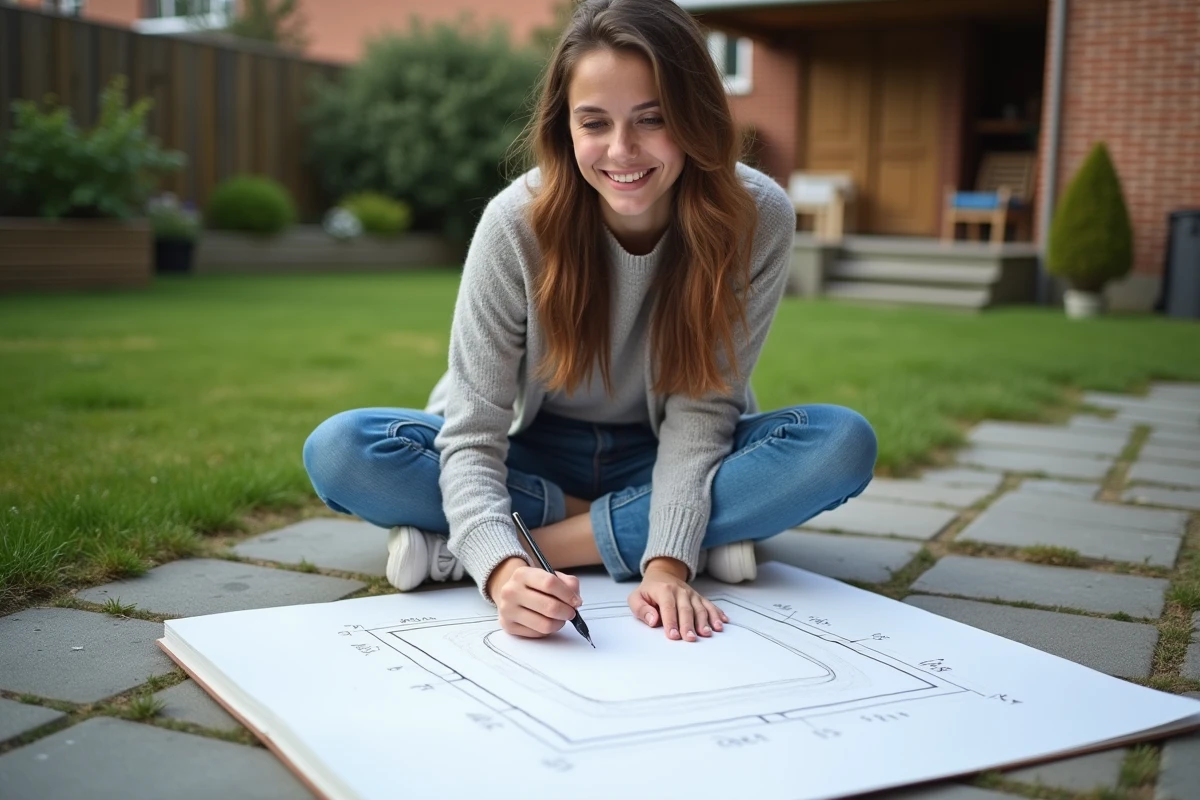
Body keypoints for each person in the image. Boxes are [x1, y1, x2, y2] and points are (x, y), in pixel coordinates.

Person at [302, 0, 877, 645]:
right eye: (594, 123)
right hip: (532, 452)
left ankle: (463, 548)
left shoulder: (756, 215)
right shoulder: (515, 223)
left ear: (695, 116)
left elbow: (705, 409)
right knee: (344, 452)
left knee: (839, 445)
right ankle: (701, 531)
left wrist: (664, 564)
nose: (622, 150)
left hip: (666, 452)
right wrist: (505, 577)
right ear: (565, 128)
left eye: (652, 119)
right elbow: (473, 428)